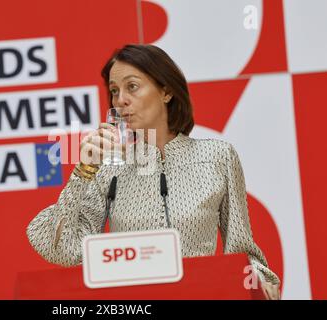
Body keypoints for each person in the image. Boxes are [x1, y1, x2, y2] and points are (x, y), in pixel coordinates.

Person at [26, 44, 281, 300]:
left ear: (166, 91)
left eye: (132, 86)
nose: (120, 99)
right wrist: (83, 171)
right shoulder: (109, 167)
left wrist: (260, 282)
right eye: (114, 91)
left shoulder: (218, 157)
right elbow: (62, 249)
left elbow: (243, 252)